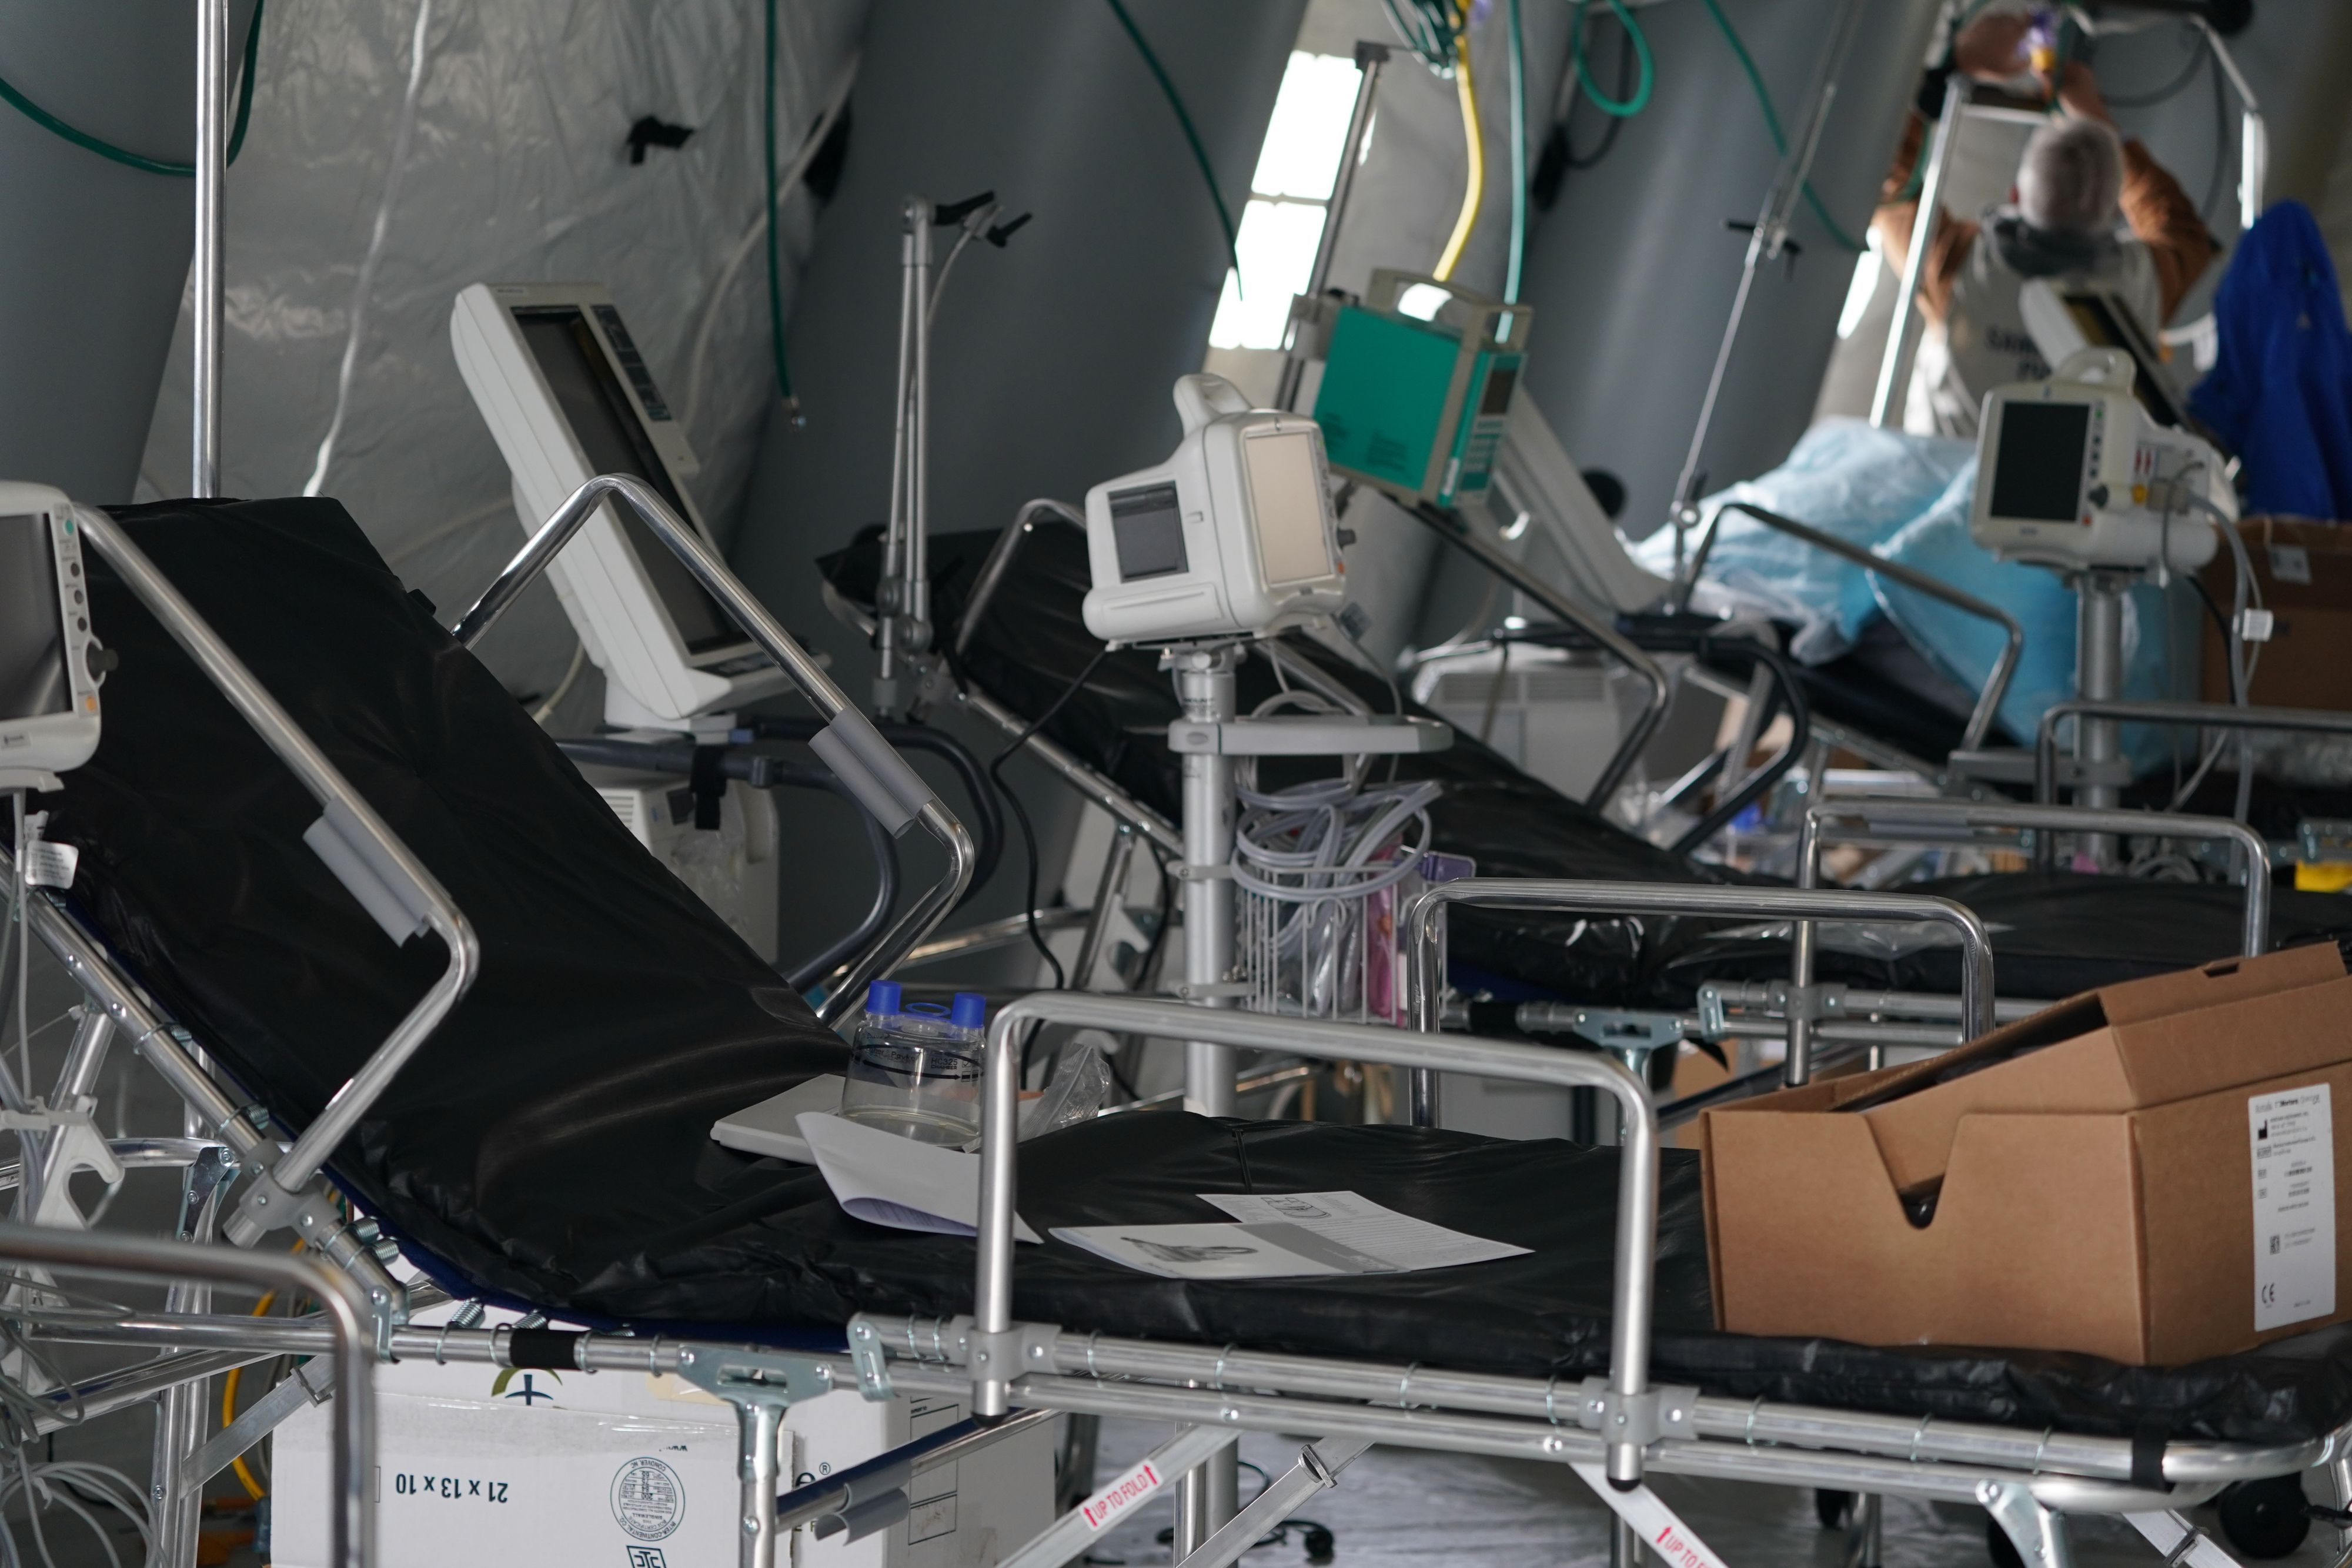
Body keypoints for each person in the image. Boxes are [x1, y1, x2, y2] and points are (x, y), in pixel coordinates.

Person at [1874, 9, 2218, 437]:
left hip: (1947, 486)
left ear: (2015, 195)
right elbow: (2181, 228)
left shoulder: (1956, 266)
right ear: (2114, 210)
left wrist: (1953, 66)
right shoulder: (2145, 281)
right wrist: (2096, 119)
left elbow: (1887, 186)